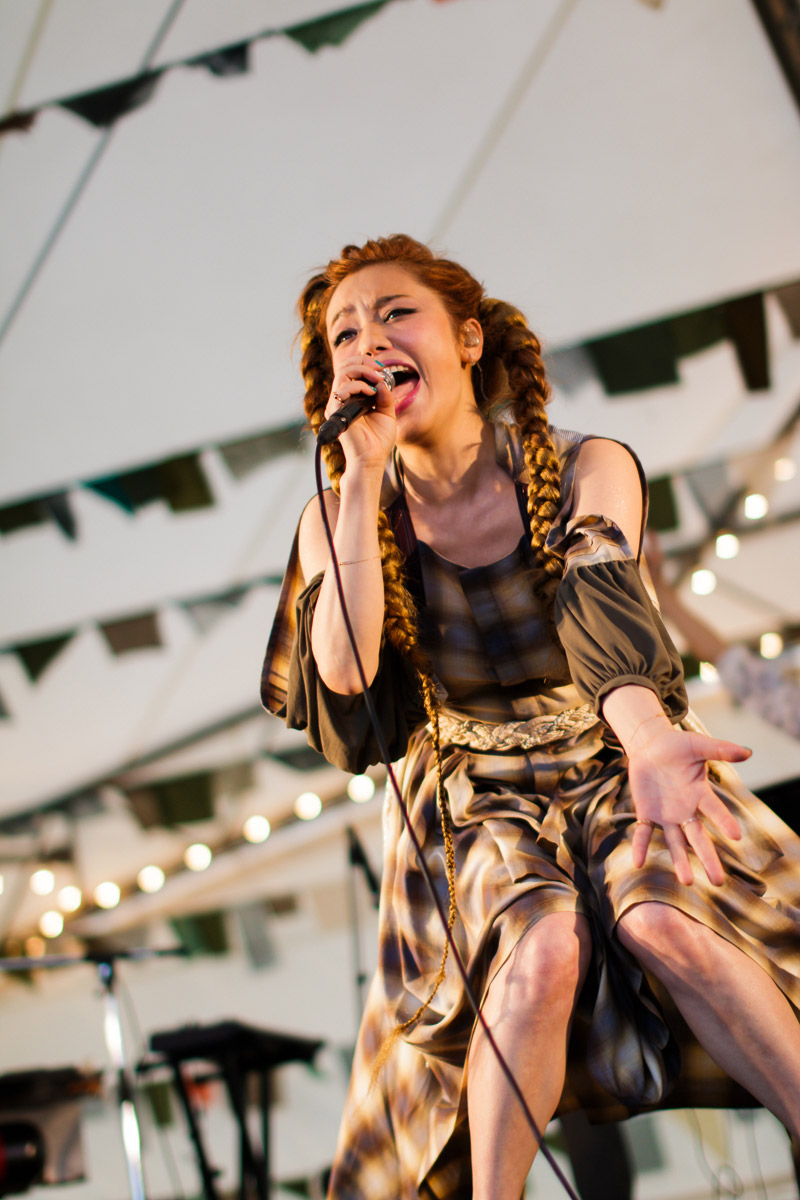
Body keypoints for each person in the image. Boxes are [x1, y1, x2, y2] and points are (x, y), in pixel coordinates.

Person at [261, 235, 800, 1200]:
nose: (368, 339)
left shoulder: (588, 462)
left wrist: (650, 741)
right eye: (345, 332)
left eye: (395, 313)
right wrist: (357, 482)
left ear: (467, 340)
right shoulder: (337, 514)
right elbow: (345, 677)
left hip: (612, 752)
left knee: (667, 923)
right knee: (541, 947)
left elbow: (601, 600)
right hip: (470, 796)